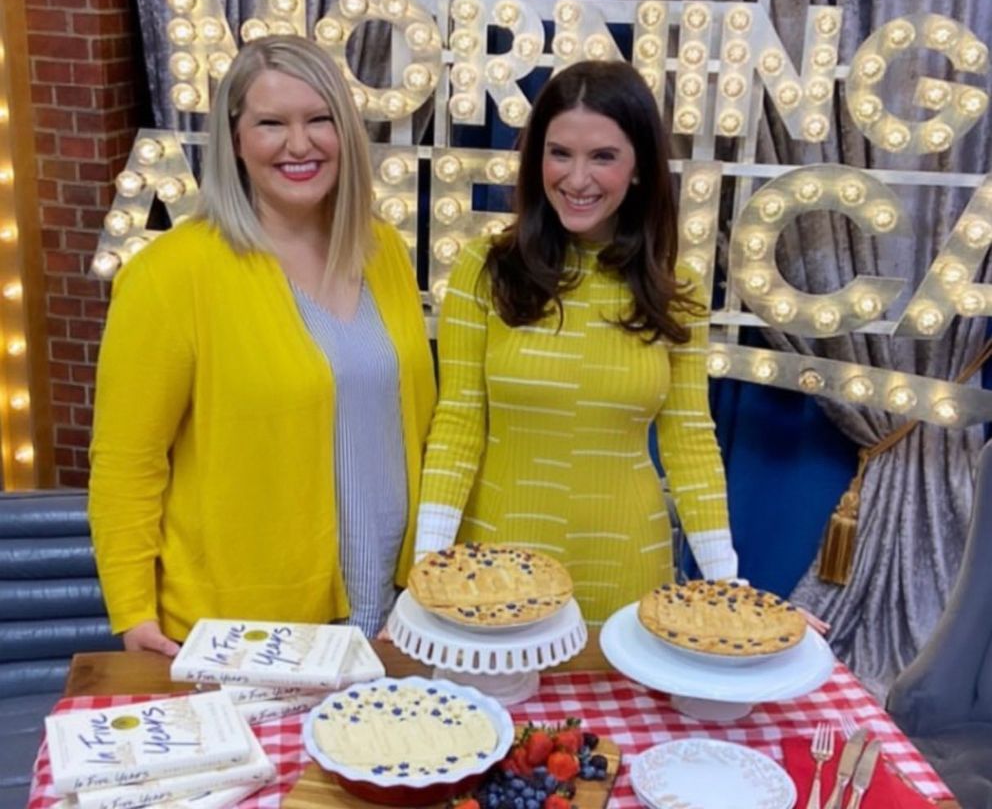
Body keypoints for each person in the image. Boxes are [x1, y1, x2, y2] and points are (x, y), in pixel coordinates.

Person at [89, 35, 436, 653]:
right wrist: (132, 609)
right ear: (236, 139)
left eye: (319, 119)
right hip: (244, 628)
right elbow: (126, 463)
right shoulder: (171, 276)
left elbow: (419, 427)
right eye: (271, 123)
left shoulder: (381, 252)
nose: (299, 144)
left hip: (391, 614)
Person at [414, 60, 737, 626]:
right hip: (495, 566)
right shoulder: (482, 268)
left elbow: (689, 440)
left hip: (627, 570)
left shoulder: (675, 286)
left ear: (639, 168)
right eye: (560, 153)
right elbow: (459, 424)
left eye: (603, 157)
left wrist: (728, 587)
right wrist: (427, 566)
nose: (577, 178)